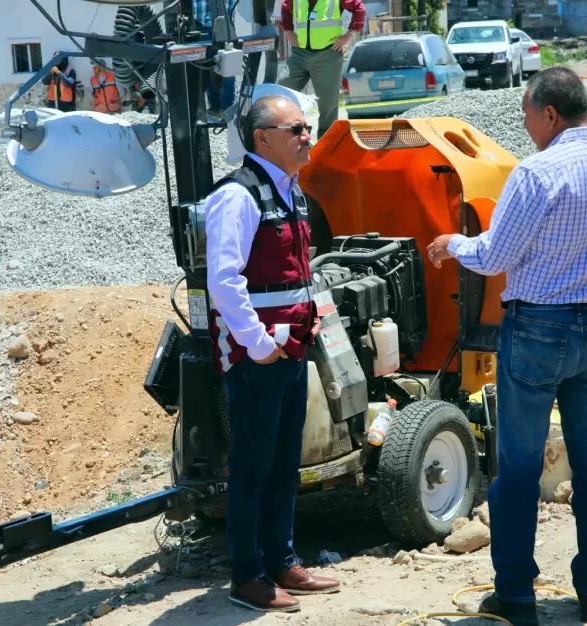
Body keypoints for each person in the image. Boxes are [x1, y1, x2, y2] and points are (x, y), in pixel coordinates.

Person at [426, 66, 587, 626]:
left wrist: (452, 243)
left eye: (526, 114)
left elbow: (494, 256)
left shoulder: (536, 172)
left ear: (550, 114)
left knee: (519, 469)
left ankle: (517, 598)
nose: (524, 125)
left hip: (537, 332)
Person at [204, 95, 340, 612]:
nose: (307, 136)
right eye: (297, 129)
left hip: (290, 350)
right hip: (258, 357)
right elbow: (224, 280)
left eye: (307, 127)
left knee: (285, 464)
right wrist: (259, 345)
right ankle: (248, 577)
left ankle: (283, 562)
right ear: (262, 138)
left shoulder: (291, 192)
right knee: (253, 468)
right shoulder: (237, 197)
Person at [278, 0, 365, 140]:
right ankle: (289, 135)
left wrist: (348, 35)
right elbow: (285, 8)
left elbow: (359, 10)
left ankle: (326, 145)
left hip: (328, 53)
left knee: (328, 104)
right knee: (283, 87)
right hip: (300, 52)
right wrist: (288, 31)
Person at [193, 0, 238, 118]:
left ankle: (228, 110)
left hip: (225, 24)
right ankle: (216, 108)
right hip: (200, 25)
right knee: (207, 67)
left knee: (227, 67)